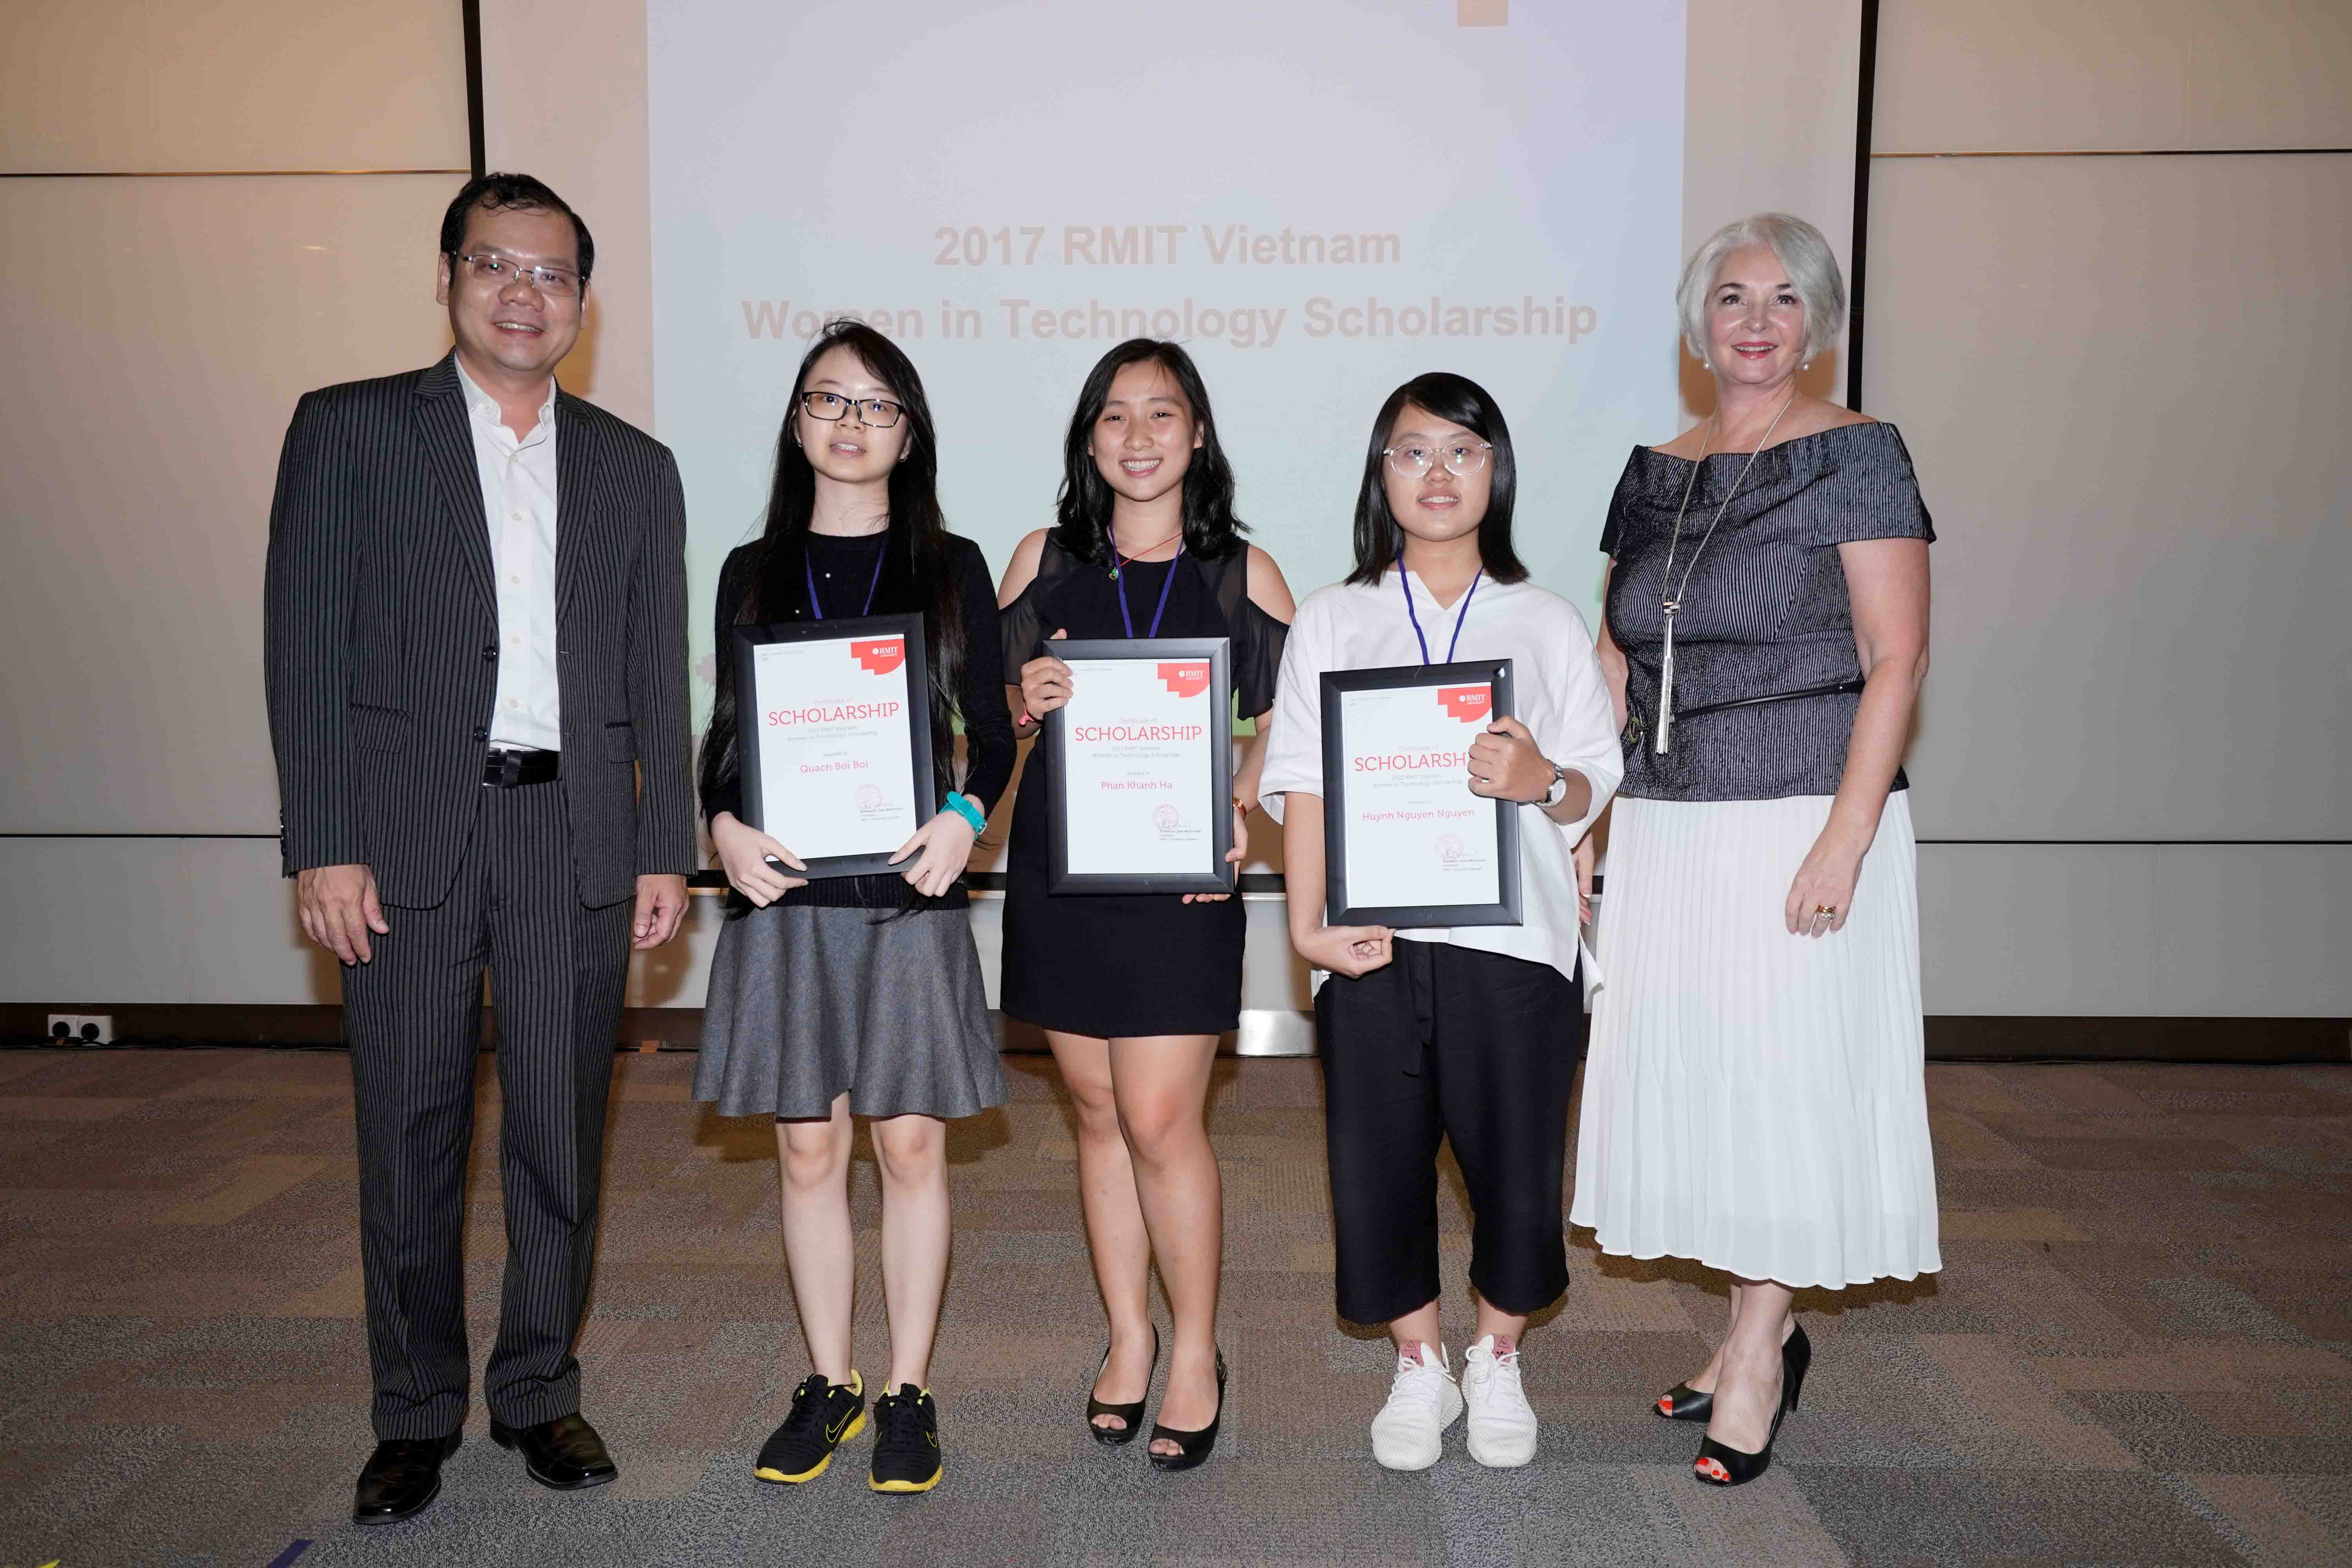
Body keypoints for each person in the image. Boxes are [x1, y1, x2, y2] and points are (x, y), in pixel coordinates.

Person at [263, 172, 693, 1526]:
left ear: (584, 299)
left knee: (563, 1130)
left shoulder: (634, 465)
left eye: (554, 273)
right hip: (399, 839)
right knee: (409, 1128)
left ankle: (537, 1391)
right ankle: (411, 1414)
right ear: (448, 277)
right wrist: (324, 840)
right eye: (497, 265)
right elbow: (304, 648)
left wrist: (662, 845)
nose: (526, 293)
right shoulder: (348, 432)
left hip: (574, 834)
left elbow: (654, 676)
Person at [1570, 212, 1940, 1488]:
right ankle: (1746, 1331)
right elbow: (1617, 655)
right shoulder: (1653, 469)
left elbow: (1898, 658)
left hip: (1801, 813)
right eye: (1734, 296)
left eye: (1788, 298)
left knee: (1783, 1082)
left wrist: (1847, 834)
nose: (1758, 320)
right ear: (1698, 321)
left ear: (1818, 320)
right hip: (1671, 824)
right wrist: (1588, 819)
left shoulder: (1858, 455)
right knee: (1714, 1077)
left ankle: (1760, 1351)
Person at [1258, 373, 1620, 1472]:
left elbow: (1593, 789)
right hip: (1371, 940)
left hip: (1512, 943)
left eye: (1463, 452)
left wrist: (1540, 775)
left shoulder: (1545, 620)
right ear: (1382, 475)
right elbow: (1305, 782)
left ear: (1495, 473)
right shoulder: (1334, 615)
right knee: (1376, 1157)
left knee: (1517, 1156)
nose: (1439, 474)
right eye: (1413, 453)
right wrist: (1306, 931)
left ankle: (1498, 1356)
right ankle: (1419, 1362)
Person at [694, 320, 1014, 1496]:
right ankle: (828, 1379)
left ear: (909, 433)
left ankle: (908, 1387)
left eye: (878, 406)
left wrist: (965, 817)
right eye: (829, 401)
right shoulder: (750, 570)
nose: (850, 423)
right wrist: (720, 823)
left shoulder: (954, 563)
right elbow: (729, 740)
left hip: (907, 891)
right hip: (784, 896)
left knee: (913, 1143)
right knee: (806, 1143)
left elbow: (990, 725)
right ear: (796, 422)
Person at [996, 339, 1295, 1470]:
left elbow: (1300, 715)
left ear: (1198, 435)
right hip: (1066, 873)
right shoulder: (1044, 558)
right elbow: (992, 712)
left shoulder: (1243, 573)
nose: (1137, 437)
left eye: (1161, 416)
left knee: (1164, 1119)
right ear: (1089, 439)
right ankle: (1127, 1335)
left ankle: (1195, 1351)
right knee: (1093, 1111)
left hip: (1176, 877)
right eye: (1114, 418)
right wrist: (1022, 698)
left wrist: (1243, 791)